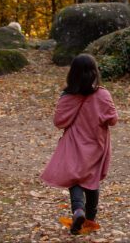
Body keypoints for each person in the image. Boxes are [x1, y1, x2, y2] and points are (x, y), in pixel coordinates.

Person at [41, 54, 118, 235]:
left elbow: (59, 122)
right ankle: (90, 219)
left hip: (74, 143)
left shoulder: (67, 96)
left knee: (75, 178)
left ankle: (78, 211)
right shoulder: (103, 94)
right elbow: (113, 119)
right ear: (94, 73)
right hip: (97, 144)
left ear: (72, 74)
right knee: (92, 179)